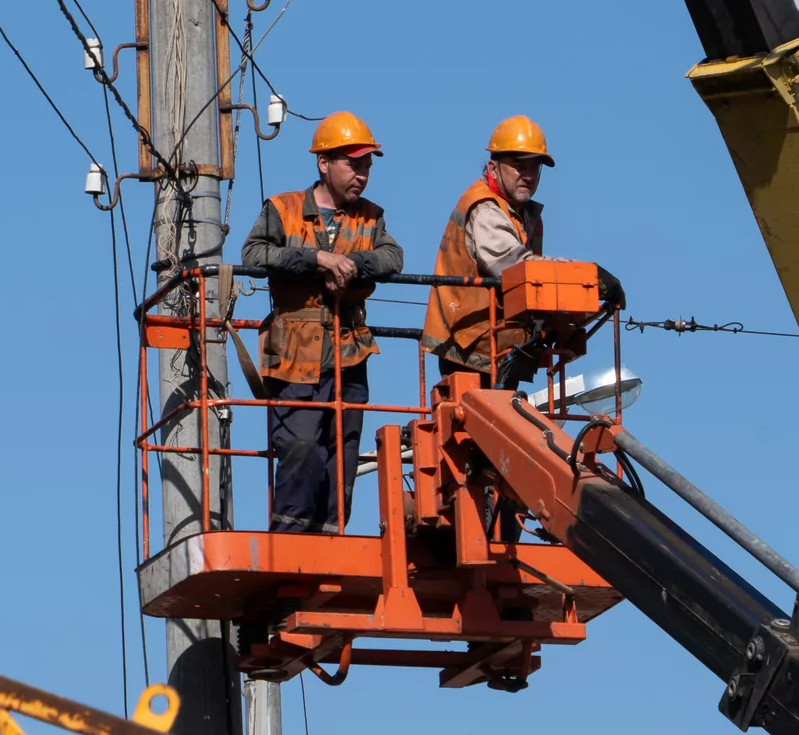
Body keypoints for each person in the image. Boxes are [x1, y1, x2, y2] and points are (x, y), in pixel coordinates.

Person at [241, 112, 403, 534]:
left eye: (366, 165)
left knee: (342, 452)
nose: (361, 174)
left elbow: (392, 257)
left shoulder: (371, 217)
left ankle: (332, 537)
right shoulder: (283, 209)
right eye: (353, 164)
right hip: (294, 351)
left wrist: (353, 264)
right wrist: (316, 260)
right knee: (300, 445)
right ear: (324, 163)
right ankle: (291, 540)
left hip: (349, 352)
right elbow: (254, 254)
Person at [421, 115, 624, 387]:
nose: (528, 176)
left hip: (498, 349)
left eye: (534, 168)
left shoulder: (520, 213)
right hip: (470, 350)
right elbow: (519, 269)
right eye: (518, 166)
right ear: (493, 168)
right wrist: (589, 277)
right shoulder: (484, 209)